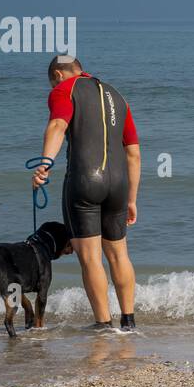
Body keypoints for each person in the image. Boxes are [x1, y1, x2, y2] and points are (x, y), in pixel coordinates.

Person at [32, 56, 141, 331]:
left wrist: (45, 163)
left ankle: (104, 325)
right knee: (119, 256)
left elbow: (58, 125)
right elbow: (134, 154)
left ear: (58, 73)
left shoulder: (63, 89)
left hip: (84, 182)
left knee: (91, 258)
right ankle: (128, 323)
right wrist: (132, 199)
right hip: (119, 185)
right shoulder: (117, 95)